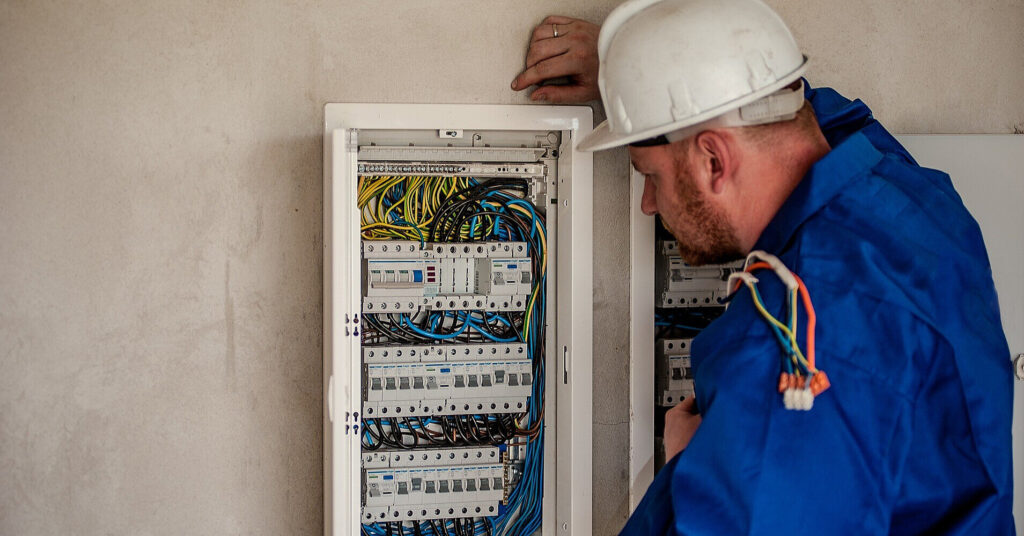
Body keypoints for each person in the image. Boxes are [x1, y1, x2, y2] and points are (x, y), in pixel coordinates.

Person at [513, 0, 1015, 534]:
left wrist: (689, 470)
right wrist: (636, 76)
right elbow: (803, 110)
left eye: (649, 175)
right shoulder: (914, 196)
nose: (648, 204)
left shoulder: (791, 346)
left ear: (714, 160)